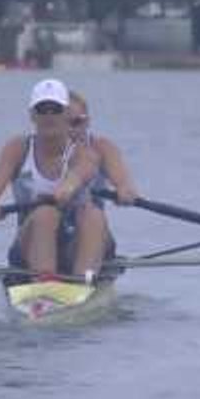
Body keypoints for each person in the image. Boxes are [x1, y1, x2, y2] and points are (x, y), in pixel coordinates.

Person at [0, 79, 107, 283]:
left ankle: (84, 282)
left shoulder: (84, 153)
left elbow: (82, 171)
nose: (48, 116)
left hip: (75, 246)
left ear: (66, 113)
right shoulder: (17, 148)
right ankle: (45, 285)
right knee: (45, 214)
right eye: (42, 109)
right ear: (32, 115)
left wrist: (66, 189)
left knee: (93, 214)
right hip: (29, 249)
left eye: (55, 109)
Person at [64, 91, 140, 277]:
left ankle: (82, 284)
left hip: (91, 234)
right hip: (38, 241)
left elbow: (123, 182)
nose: (70, 129)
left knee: (91, 215)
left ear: (87, 121)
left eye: (76, 122)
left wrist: (124, 191)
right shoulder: (26, 149)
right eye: (61, 122)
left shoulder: (101, 147)